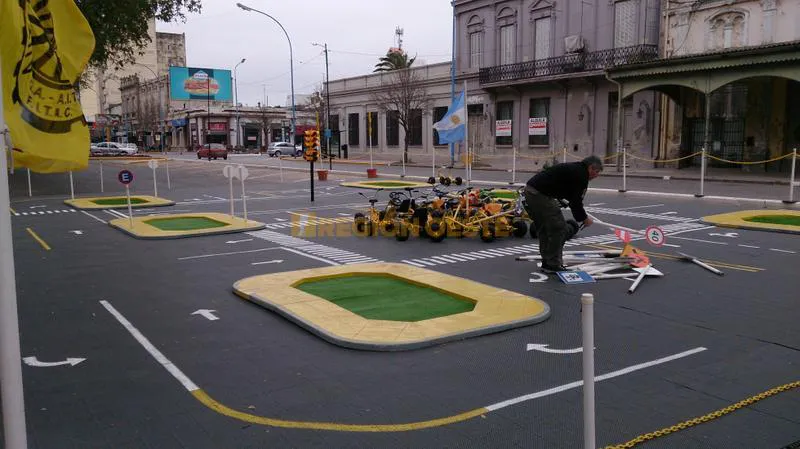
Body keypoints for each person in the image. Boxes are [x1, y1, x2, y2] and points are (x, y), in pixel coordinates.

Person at [524, 155, 603, 273]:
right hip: (541, 195)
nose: (597, 176)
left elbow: (568, 194)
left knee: (544, 228)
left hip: (531, 190)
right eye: (596, 172)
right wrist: (584, 218)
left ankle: (547, 261)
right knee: (559, 228)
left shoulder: (575, 169)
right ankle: (552, 264)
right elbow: (576, 201)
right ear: (591, 168)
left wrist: (577, 212)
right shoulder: (581, 175)